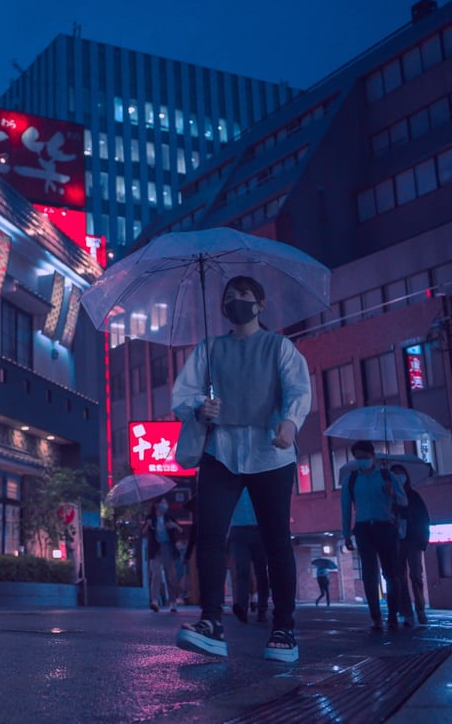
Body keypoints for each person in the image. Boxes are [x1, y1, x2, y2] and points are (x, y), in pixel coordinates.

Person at [170, 275, 311, 663]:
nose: (236, 302)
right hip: (222, 450)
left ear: (261, 304)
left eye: (245, 296)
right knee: (212, 535)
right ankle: (211, 621)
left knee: (276, 539)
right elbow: (181, 395)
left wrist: (291, 421)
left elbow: (299, 390)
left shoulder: (279, 346)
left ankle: (284, 627)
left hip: (270, 453)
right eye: (230, 297)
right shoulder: (209, 349)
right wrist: (201, 406)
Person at [341, 441, 407, 632]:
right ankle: (376, 617)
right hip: (363, 528)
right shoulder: (351, 479)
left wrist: (392, 493)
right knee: (369, 574)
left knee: (391, 573)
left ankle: (393, 615)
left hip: (386, 526)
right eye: (358, 458)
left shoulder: (387, 476)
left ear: (373, 456)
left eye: (364, 457)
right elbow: (345, 508)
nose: (361, 461)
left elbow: (404, 500)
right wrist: (346, 534)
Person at [391, 464, 431, 626]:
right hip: (397, 541)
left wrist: (423, 541)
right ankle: (407, 611)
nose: (399, 477)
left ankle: (420, 609)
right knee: (400, 577)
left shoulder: (413, 496)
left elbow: (423, 518)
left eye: (401, 474)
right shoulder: (389, 496)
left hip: (414, 540)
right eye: (395, 475)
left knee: (416, 575)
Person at [227, 489, 269, 624]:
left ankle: (262, 608)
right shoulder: (233, 482)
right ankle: (242, 608)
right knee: (242, 571)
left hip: (258, 528)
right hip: (238, 530)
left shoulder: (257, 478)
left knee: (261, 572)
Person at [142, 497, 184, 612]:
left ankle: (172, 601)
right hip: (155, 549)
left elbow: (181, 530)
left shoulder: (169, 517)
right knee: (156, 574)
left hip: (168, 548)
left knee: (171, 576)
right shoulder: (151, 518)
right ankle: (154, 601)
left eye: (165, 502)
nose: (164, 505)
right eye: (162, 502)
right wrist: (148, 525)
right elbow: (144, 533)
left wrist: (174, 526)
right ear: (157, 505)